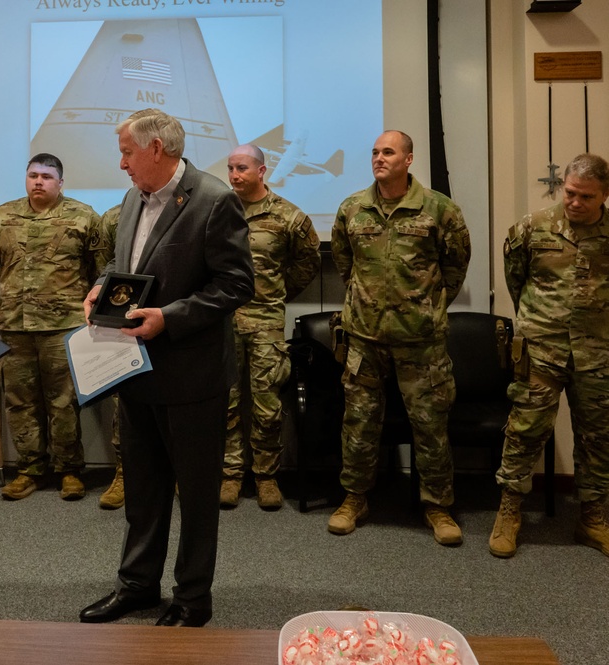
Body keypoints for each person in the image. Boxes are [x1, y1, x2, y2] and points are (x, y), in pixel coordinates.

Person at [79, 108, 254, 627]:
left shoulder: (214, 199)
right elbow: (126, 266)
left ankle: (192, 598)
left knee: (197, 496)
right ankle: (137, 585)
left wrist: (170, 319)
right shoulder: (134, 198)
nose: (122, 164)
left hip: (191, 375)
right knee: (143, 489)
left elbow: (236, 284)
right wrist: (102, 289)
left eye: (127, 153)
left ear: (156, 149)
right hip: (134, 370)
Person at [328, 130, 471, 546]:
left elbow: (455, 267)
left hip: (421, 340)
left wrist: (421, 306)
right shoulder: (352, 208)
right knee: (359, 422)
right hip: (364, 338)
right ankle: (354, 498)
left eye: (388, 152)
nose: (379, 158)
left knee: (430, 424)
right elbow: (344, 262)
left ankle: (438, 506)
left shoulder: (440, 210)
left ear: (408, 159)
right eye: (374, 152)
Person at [490, 153, 609, 559]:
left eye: (586, 197)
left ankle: (592, 517)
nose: (574, 202)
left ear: (604, 195)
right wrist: (538, 320)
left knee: (598, 437)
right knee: (525, 430)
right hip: (541, 348)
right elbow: (515, 279)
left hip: (597, 352)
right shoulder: (532, 228)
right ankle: (509, 512)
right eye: (570, 193)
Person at [0, 153, 101, 501]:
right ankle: (29, 469)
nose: (38, 182)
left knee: (64, 402)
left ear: (61, 182)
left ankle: (69, 470)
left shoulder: (83, 216)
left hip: (65, 326)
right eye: (32, 175)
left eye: (46, 176)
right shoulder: (2, 216)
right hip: (15, 324)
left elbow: (102, 266)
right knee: (20, 401)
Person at [221, 145, 320, 510]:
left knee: (266, 405)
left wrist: (275, 293)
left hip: (265, 322)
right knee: (226, 402)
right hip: (224, 321)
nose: (234, 175)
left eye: (242, 168)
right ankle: (230, 474)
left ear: (261, 171)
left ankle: (266, 476)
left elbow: (306, 264)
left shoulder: (287, 216)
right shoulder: (217, 210)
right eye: (230, 168)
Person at [92, 204, 126, 510]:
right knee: (124, 402)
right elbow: (108, 262)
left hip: (174, 320)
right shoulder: (118, 215)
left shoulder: (195, 208)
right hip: (126, 319)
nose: (123, 164)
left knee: (180, 402)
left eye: (128, 153)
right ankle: (124, 473)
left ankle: (180, 474)